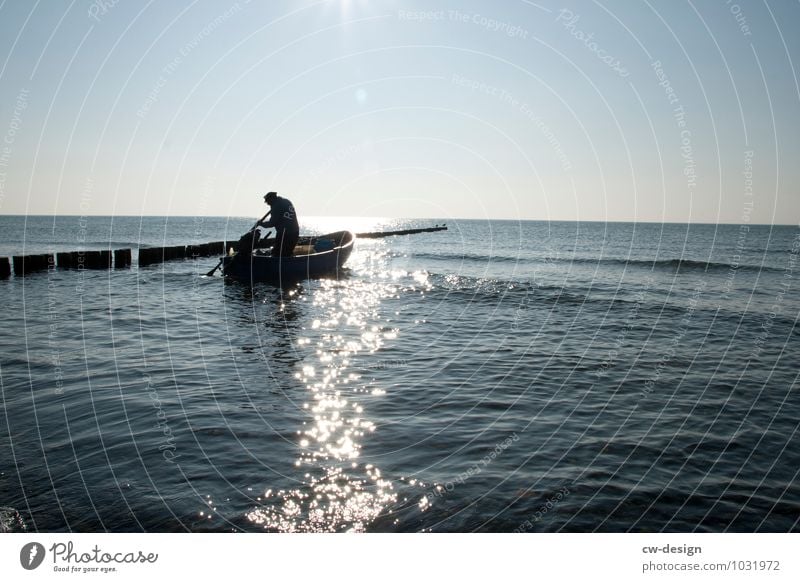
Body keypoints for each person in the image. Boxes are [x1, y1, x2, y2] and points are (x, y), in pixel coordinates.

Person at [259, 191, 299, 257]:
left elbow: (272, 223)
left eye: (267, 202)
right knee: (287, 253)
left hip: (285, 234)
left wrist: (261, 224)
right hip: (295, 232)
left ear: (271, 199)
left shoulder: (276, 206)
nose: (267, 204)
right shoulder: (286, 201)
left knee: (278, 253)